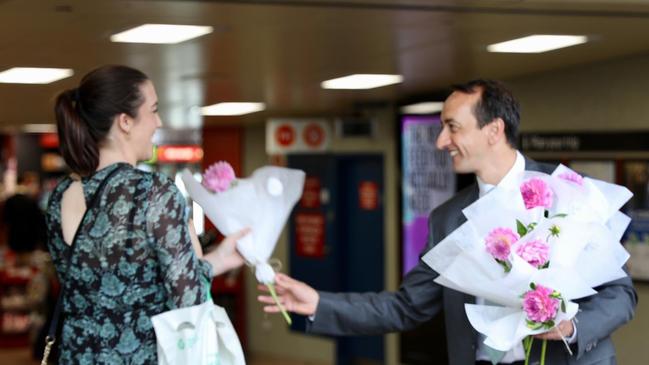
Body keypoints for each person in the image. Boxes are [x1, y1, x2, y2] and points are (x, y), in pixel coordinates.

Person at [259, 79, 637, 365]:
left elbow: (621, 295)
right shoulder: (447, 219)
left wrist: (572, 327)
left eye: (452, 127)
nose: (441, 141)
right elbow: (407, 306)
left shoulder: (565, 193)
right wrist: (319, 304)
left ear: (494, 130)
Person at [46, 65, 248, 364]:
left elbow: (104, 284)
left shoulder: (60, 196)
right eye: (153, 110)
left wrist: (214, 260)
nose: (158, 121)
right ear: (125, 122)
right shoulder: (154, 193)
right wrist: (199, 260)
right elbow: (188, 300)